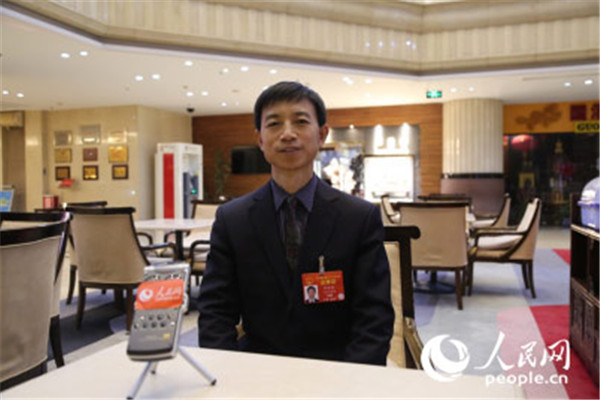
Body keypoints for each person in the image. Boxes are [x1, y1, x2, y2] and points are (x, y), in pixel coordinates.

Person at [197, 81, 394, 366]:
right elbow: (215, 311)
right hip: (257, 370)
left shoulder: (358, 217)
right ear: (260, 139)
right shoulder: (233, 219)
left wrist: (353, 380)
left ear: (322, 134)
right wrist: (228, 374)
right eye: (274, 124)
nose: (287, 134)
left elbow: (374, 317)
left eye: (301, 122)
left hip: (337, 370)